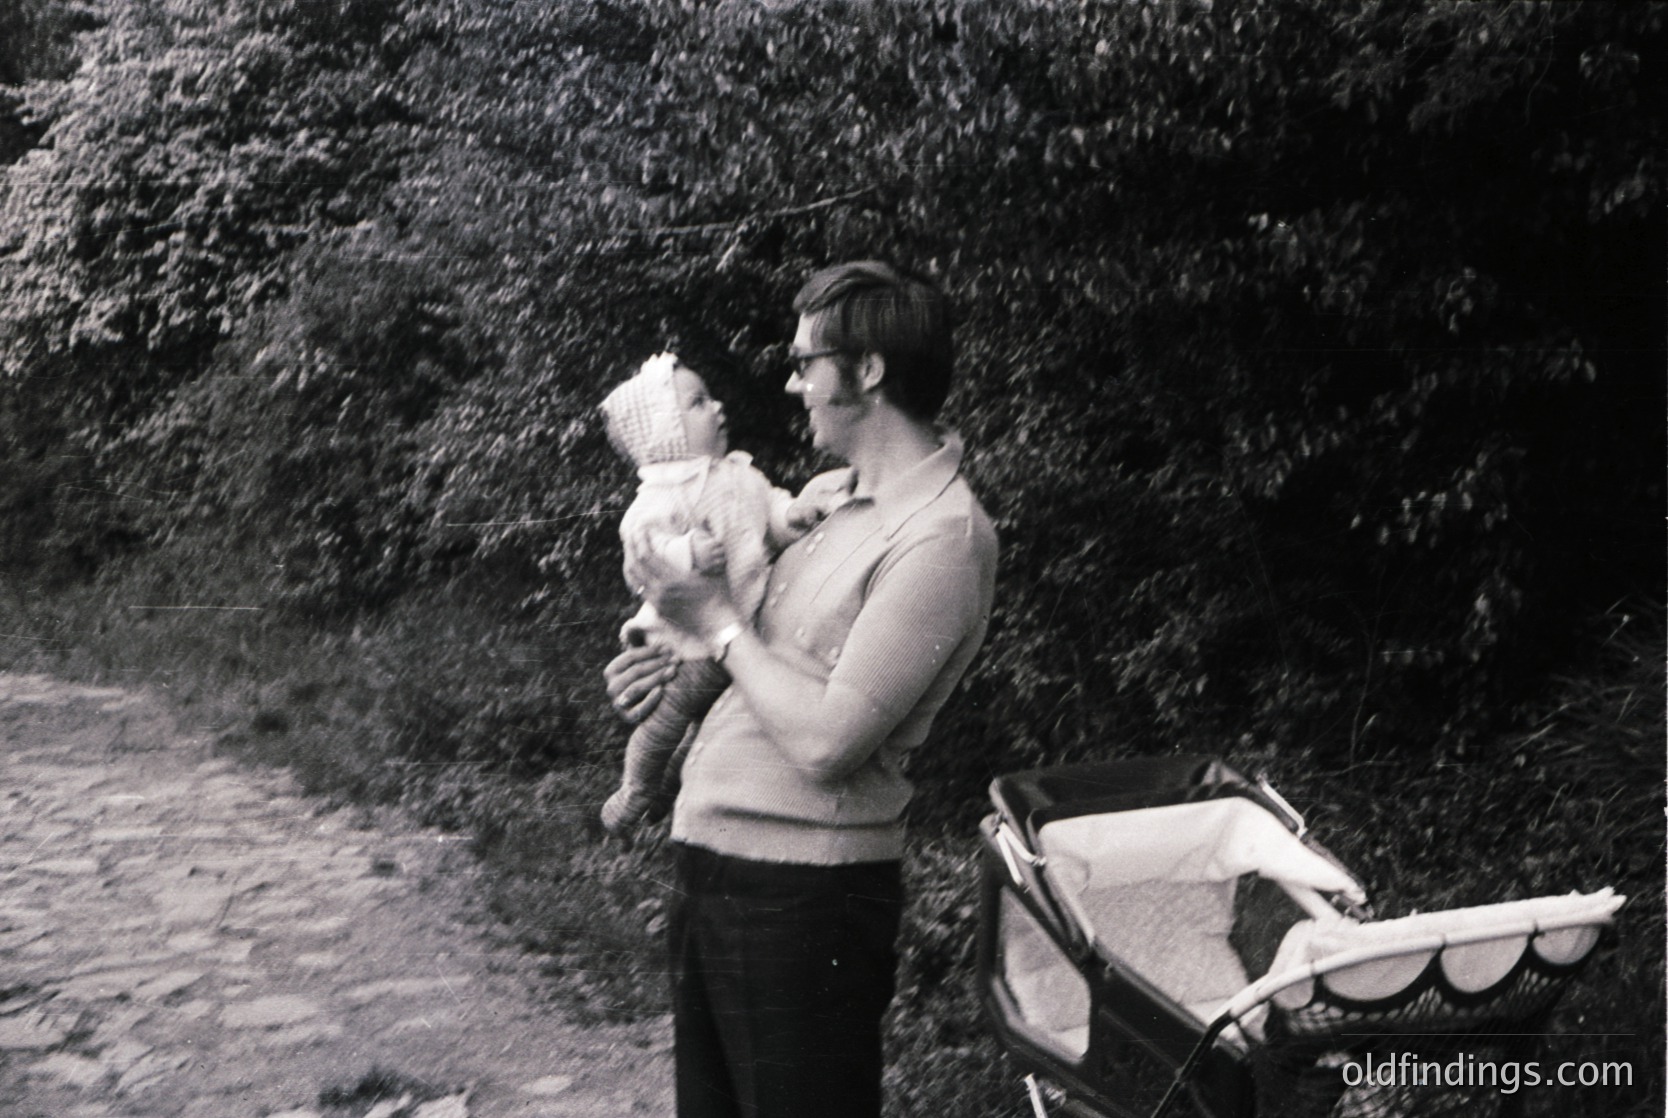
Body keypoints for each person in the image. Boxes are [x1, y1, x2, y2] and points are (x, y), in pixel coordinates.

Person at [604, 261, 998, 1118]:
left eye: (806, 362)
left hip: (804, 901)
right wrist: (668, 659)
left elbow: (828, 741)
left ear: (869, 372)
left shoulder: (943, 537)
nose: (792, 383)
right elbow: (752, 662)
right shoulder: (823, 502)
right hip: (710, 866)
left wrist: (715, 623)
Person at [596, 352, 843, 834]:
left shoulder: (740, 475)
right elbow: (641, 549)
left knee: (706, 723)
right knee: (673, 713)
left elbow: (768, 509)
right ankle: (637, 786)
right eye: (697, 403)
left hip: (735, 626)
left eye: (709, 397)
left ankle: (667, 787)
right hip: (688, 638)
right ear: (665, 433)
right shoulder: (664, 494)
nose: (717, 407)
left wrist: (790, 516)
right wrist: (686, 551)